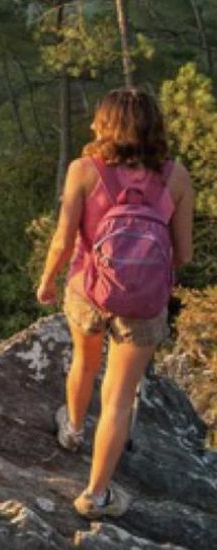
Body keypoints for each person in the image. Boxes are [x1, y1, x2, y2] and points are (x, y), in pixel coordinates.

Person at [36, 87, 194, 519]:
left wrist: (48, 281)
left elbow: (63, 240)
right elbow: (184, 254)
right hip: (142, 303)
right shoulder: (176, 176)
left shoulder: (84, 170)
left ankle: (71, 429)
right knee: (119, 398)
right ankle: (96, 495)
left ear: (106, 125)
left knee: (84, 363)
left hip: (89, 290)